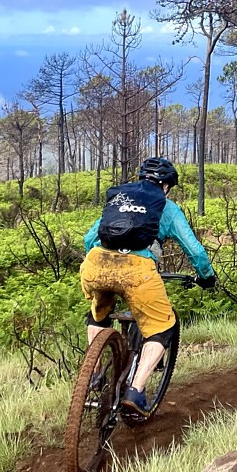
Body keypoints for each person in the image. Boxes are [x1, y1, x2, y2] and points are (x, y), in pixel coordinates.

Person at [80, 157, 216, 414]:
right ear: (166, 186)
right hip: (138, 271)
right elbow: (195, 251)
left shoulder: (121, 199)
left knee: (99, 313)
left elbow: (90, 238)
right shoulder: (168, 207)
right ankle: (136, 390)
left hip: (96, 262)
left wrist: (97, 264)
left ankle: (94, 375)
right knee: (163, 328)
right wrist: (206, 276)